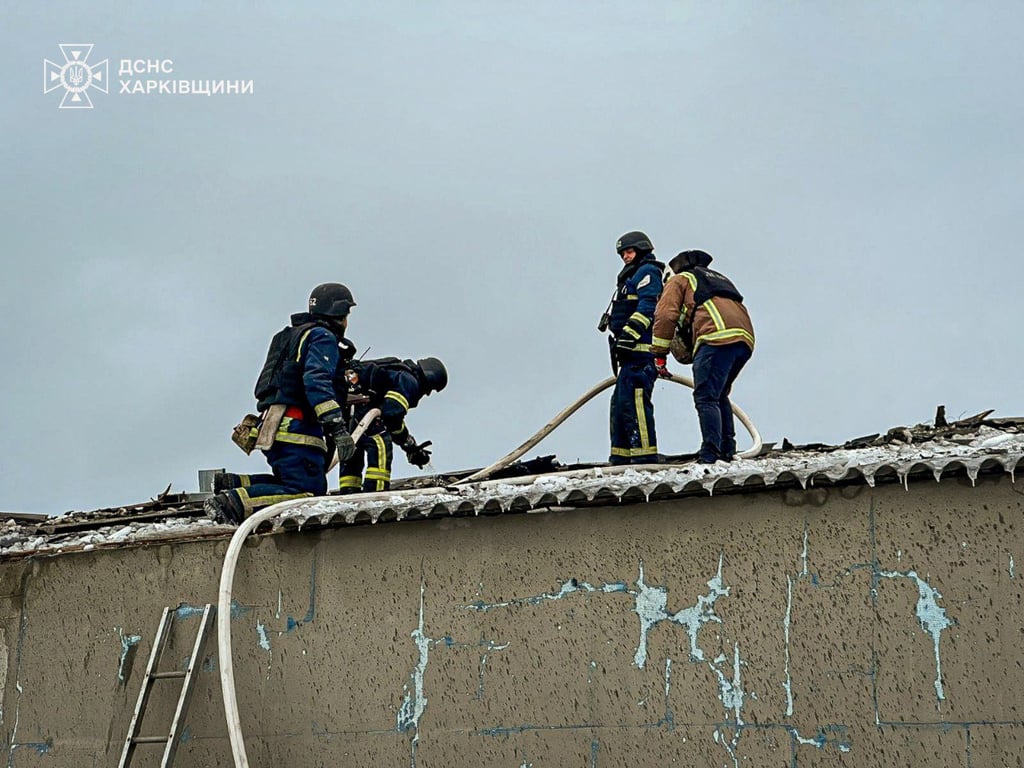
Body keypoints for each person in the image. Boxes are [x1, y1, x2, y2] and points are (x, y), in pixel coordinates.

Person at [205, 283, 359, 523]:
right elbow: (316, 380)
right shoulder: (322, 337)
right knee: (307, 494)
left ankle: (232, 484)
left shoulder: (291, 335)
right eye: (347, 315)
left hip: (274, 424)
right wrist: (337, 427)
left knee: (289, 483)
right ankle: (232, 503)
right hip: (298, 428)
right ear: (339, 313)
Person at [651, 250, 754, 464]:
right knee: (719, 394)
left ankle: (710, 454)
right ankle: (727, 450)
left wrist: (659, 355)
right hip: (744, 339)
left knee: (705, 396)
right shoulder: (712, 279)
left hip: (715, 336)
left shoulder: (678, 280)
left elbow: (665, 315)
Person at [338, 356, 447, 493]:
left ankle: (349, 495)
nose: (426, 393)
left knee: (351, 454)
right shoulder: (409, 382)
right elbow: (392, 416)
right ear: (429, 380)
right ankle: (376, 496)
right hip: (370, 420)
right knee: (381, 446)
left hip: (353, 417)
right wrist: (409, 445)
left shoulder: (396, 373)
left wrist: (409, 446)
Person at [603, 231, 664, 465]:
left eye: (629, 252)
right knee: (619, 404)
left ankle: (644, 457)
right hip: (628, 355)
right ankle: (620, 458)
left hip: (640, 353)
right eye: (622, 254)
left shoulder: (648, 272)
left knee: (636, 401)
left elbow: (649, 306)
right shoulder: (630, 277)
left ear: (641, 250)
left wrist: (629, 335)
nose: (625, 257)